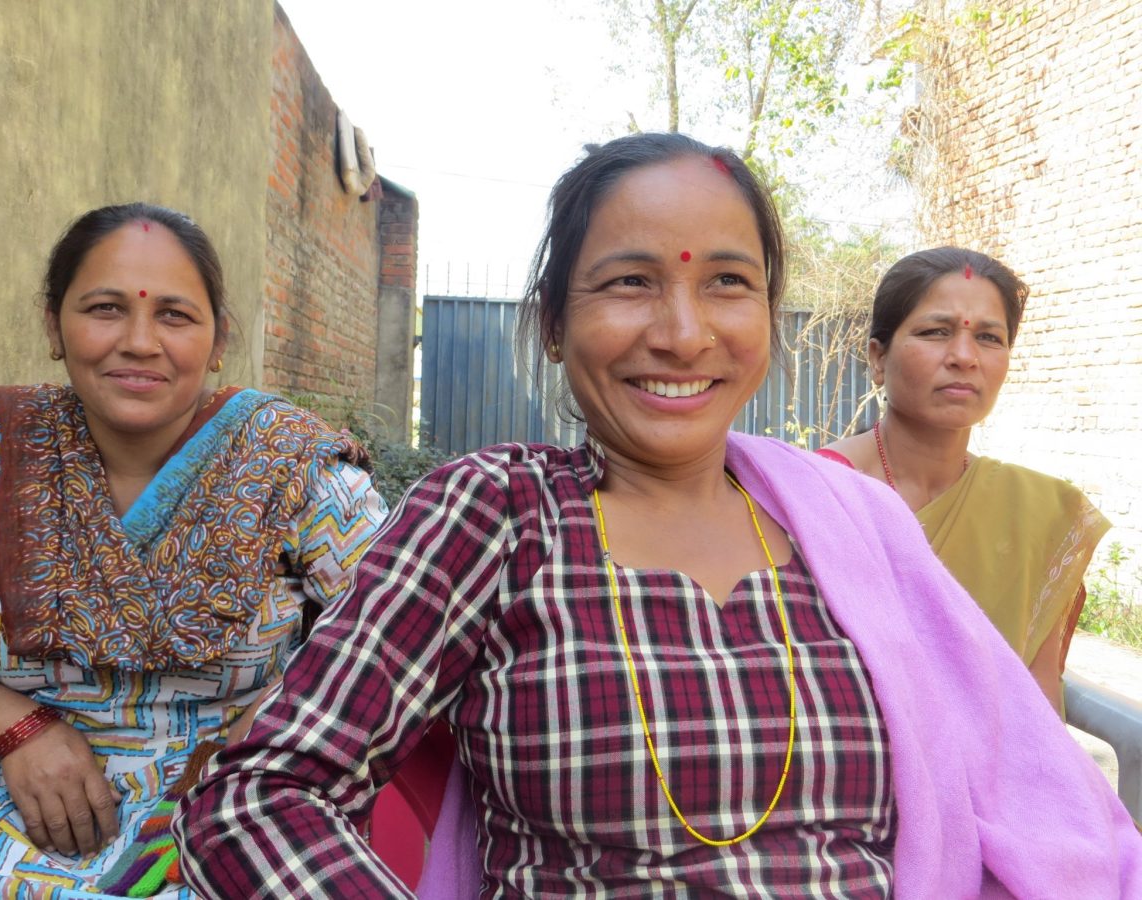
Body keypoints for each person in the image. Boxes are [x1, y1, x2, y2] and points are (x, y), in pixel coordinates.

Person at [173, 135, 1141, 898]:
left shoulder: (853, 527)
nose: (683, 334)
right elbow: (254, 796)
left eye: (728, 282)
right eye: (631, 281)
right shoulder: (498, 513)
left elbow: (1032, 803)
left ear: (768, 317)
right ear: (554, 324)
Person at [0, 203, 390, 898]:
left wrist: (257, 744)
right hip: (3, 799)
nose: (139, 342)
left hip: (247, 802)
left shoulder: (297, 468)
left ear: (218, 340)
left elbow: (393, 650)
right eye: (105, 308)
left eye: (174, 316)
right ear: (54, 325)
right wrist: (16, 727)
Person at [818, 248, 1109, 714]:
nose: (964, 357)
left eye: (989, 337)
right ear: (878, 357)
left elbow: (1038, 696)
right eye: (936, 332)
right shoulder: (818, 492)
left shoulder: (1037, 510)